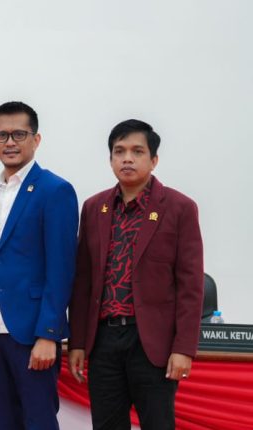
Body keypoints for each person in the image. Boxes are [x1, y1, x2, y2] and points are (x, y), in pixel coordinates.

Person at [68, 119, 204, 429]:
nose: (127, 159)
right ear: (110, 159)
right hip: (103, 341)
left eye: (137, 151)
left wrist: (184, 348)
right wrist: (77, 342)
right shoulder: (94, 208)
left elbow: (190, 285)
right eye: (119, 151)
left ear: (154, 160)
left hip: (152, 343)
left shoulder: (180, 208)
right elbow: (83, 282)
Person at [0, 101, 79, 429]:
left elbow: (61, 269)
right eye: (2, 135)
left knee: (38, 421)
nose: (10, 142)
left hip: (30, 333)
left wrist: (48, 334)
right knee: (3, 422)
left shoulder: (55, 190)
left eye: (19, 134)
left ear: (36, 139)